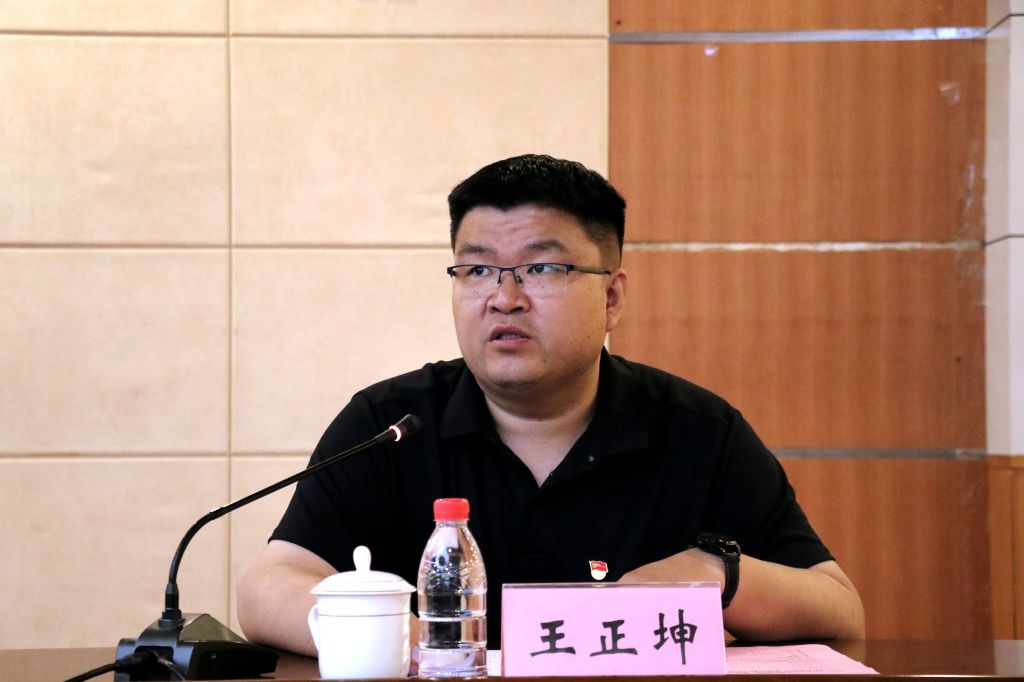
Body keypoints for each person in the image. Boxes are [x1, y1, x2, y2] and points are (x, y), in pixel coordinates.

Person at [237, 154, 865, 656]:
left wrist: (721, 578)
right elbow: (269, 587)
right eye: (477, 270)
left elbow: (839, 609)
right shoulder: (391, 423)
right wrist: (416, 640)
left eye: (541, 268)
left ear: (612, 297)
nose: (504, 298)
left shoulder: (698, 430)